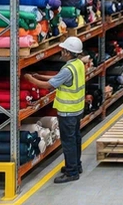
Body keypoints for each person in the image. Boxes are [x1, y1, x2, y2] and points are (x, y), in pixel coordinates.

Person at [24, 36, 87, 183]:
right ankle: (76, 166)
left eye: (63, 50)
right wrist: (40, 75)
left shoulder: (67, 69)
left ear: (68, 53)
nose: (61, 52)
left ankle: (72, 172)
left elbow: (49, 86)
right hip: (77, 109)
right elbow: (58, 78)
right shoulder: (77, 64)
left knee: (68, 141)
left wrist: (30, 79)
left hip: (67, 111)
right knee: (76, 138)